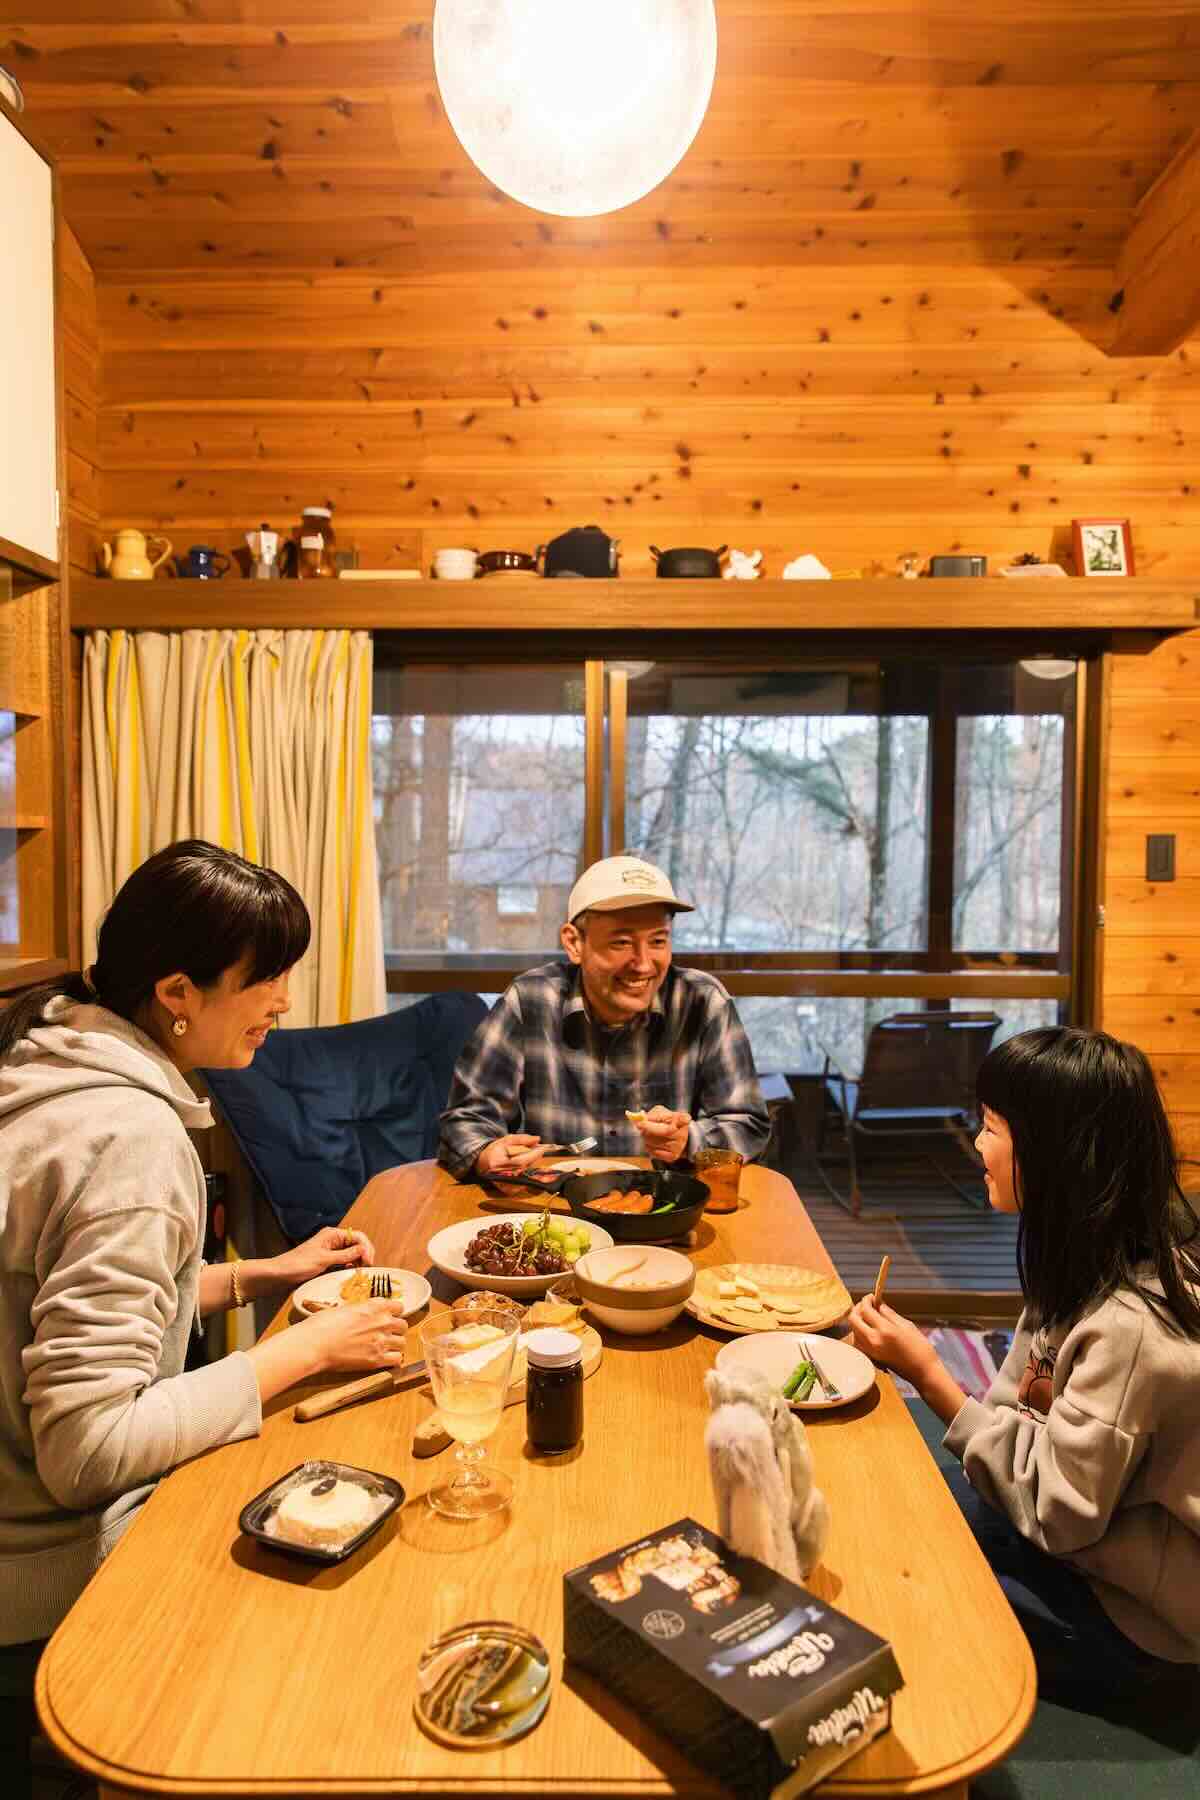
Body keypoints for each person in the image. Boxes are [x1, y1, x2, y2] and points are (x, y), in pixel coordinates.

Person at [0, 841, 409, 1782]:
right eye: (265, 979)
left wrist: (265, 1274)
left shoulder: (48, 1059)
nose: (283, 1004)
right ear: (178, 992)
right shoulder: (129, 1144)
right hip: (40, 1574)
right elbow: (87, 1451)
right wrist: (305, 1350)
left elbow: (64, 1306)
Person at [847, 1026, 1200, 1702]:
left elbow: (1057, 1516)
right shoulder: (1079, 1261)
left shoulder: (1129, 1328)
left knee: (906, 1605)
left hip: (1139, 1624)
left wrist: (928, 1374)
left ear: (1056, 1154)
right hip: (1082, 1548)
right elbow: (1019, 1409)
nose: (977, 1144)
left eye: (991, 1127)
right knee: (892, 1517)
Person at [438, 854, 770, 1179]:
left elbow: (747, 1124)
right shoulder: (530, 1000)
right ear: (574, 943)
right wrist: (486, 1153)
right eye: (621, 942)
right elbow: (465, 1120)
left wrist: (688, 1142)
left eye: (658, 941)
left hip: (663, 1209)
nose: (643, 963)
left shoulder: (702, 1002)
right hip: (555, 1213)